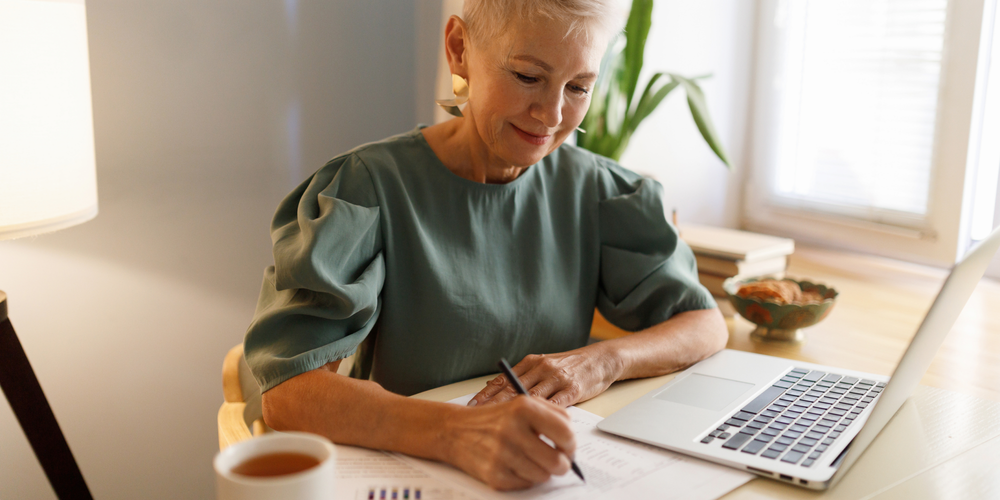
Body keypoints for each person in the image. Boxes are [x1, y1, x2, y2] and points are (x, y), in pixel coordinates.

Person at [244, 0, 728, 491]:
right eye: (527, 76)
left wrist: (602, 362)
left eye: (579, 87)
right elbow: (288, 395)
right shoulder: (366, 189)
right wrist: (458, 434)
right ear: (459, 50)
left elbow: (705, 324)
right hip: (417, 476)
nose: (552, 115)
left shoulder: (603, 193)